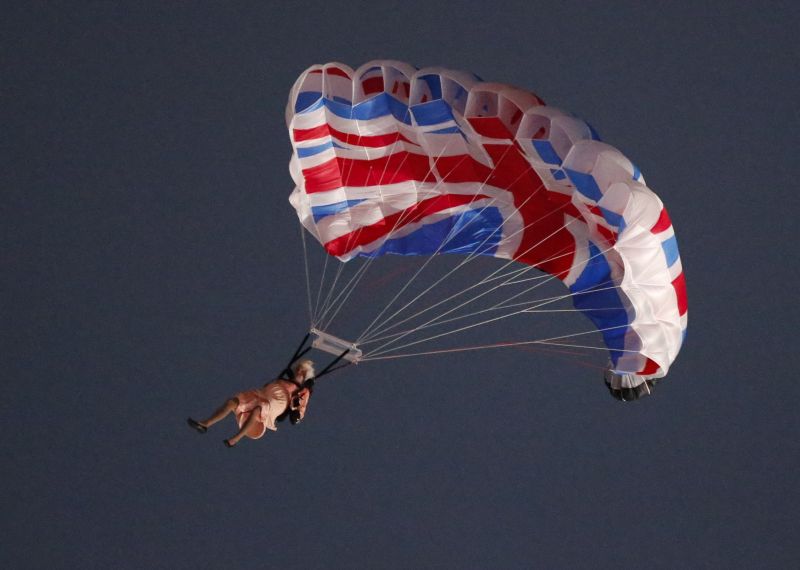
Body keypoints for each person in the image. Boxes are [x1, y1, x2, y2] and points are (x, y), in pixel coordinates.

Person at [187, 360, 315, 447]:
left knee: (258, 410)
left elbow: (298, 415)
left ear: (305, 376)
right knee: (234, 402)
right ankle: (205, 424)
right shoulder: (284, 379)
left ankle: (235, 439)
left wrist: (297, 409)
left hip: (278, 402)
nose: (299, 372)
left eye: (302, 372)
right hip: (262, 394)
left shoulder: (303, 391)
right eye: (298, 369)